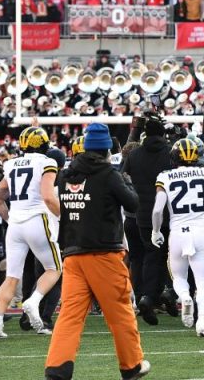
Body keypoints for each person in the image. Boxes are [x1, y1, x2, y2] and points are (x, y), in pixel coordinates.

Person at [46, 123, 148, 380]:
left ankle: (57, 368)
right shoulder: (108, 174)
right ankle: (131, 365)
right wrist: (127, 181)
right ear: (106, 150)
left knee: (69, 316)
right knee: (119, 313)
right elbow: (133, 204)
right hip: (103, 254)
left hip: (72, 253)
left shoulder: (66, 176)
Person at [0, 127, 61, 338]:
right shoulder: (47, 162)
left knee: (11, 276)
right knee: (54, 268)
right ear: (45, 144)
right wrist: (63, 217)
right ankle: (34, 300)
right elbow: (48, 197)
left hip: (16, 225)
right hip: (37, 219)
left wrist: (12, 219)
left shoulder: (10, 164)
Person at [151, 139, 204, 337]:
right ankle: (202, 321)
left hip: (178, 232)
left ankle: (184, 297)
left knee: (179, 277)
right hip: (199, 231)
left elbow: (157, 210)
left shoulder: (165, 176)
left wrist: (156, 231)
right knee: (203, 282)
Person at [123, 113, 177, 325]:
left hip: (143, 213)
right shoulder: (170, 153)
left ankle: (146, 296)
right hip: (170, 212)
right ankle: (167, 294)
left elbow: (124, 176)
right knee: (172, 257)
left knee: (150, 256)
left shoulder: (134, 155)